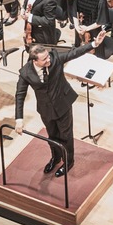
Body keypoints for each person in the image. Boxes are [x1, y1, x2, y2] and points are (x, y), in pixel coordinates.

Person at [22, 42, 78, 176]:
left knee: (66, 135)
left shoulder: (55, 59)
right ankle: (56, 157)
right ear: (35, 61)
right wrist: (19, 119)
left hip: (63, 104)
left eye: (48, 56)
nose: (49, 60)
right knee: (52, 136)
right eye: (45, 59)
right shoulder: (26, 72)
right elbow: (20, 94)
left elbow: (75, 53)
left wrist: (93, 44)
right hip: (46, 109)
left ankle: (69, 161)